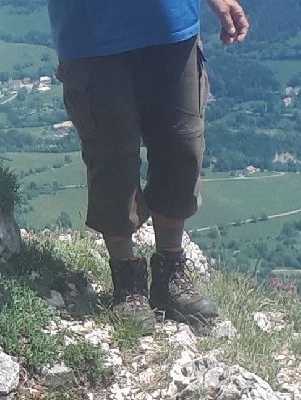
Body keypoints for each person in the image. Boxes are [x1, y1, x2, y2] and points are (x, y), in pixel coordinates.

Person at [46, 0, 249, 323]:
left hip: (170, 22)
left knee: (182, 146)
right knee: (112, 156)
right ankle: (127, 284)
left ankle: (170, 276)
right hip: (92, 31)